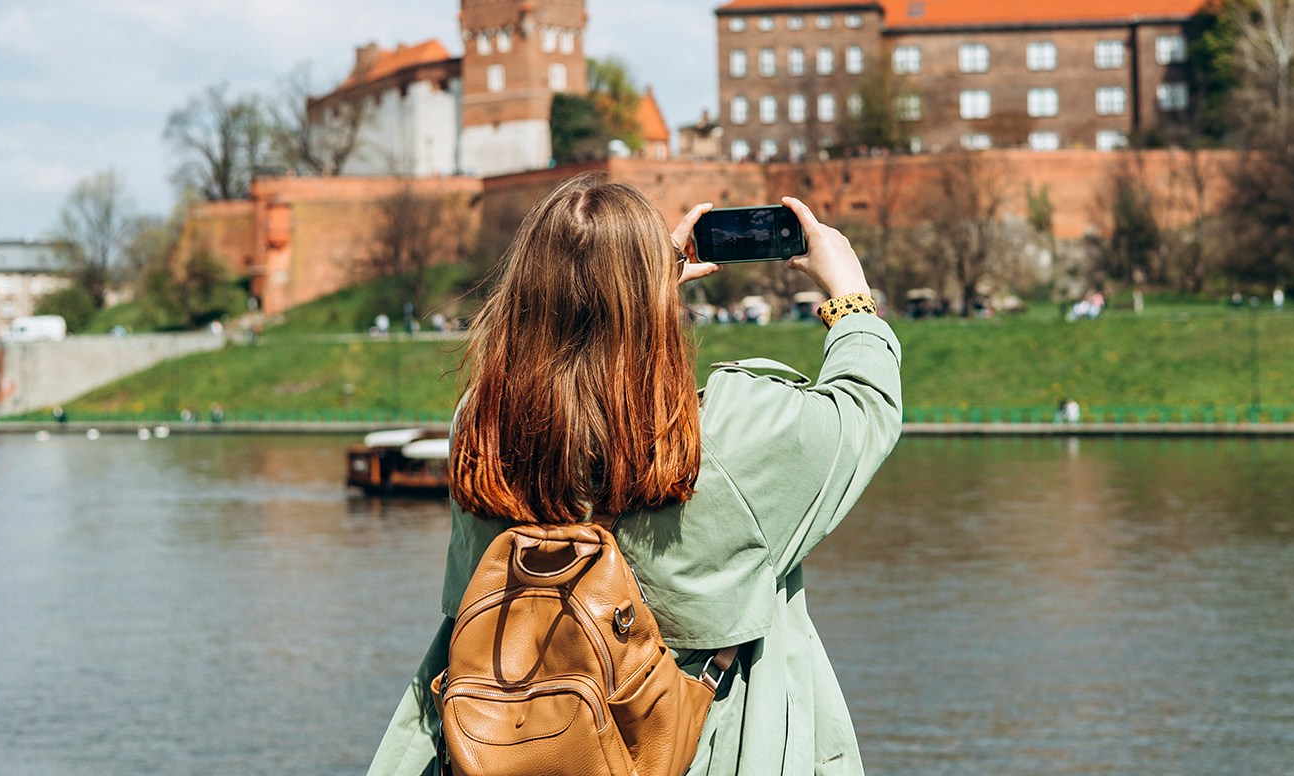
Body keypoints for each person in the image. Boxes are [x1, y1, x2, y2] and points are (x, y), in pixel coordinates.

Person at [366, 174, 903, 776]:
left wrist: (635, 282)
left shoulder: (484, 430)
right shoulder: (731, 435)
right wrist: (849, 293)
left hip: (499, 747)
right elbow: (865, 406)